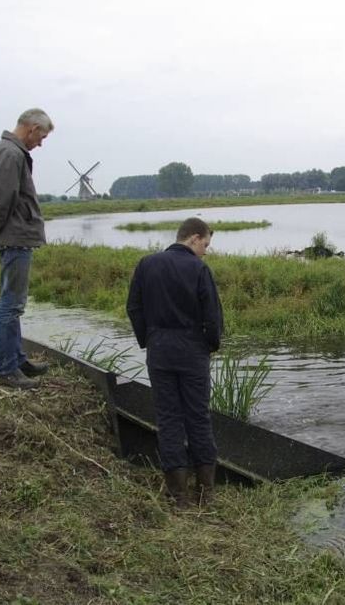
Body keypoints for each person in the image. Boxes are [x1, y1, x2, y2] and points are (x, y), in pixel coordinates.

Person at [126, 217, 224, 508]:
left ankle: (178, 496)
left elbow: (134, 307)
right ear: (193, 238)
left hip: (159, 351)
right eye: (205, 244)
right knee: (198, 417)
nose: (205, 251)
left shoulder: (147, 264)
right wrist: (211, 345)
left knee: (168, 420)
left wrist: (149, 339)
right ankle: (205, 494)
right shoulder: (199, 269)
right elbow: (213, 316)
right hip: (192, 352)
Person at [0, 108, 54, 389]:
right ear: (31, 128)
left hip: (11, 236)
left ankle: (17, 360)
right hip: (16, 237)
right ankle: (7, 370)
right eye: (41, 137)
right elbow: (0, 202)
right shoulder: (11, 153)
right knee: (12, 305)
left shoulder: (0, 150)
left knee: (13, 303)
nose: (41, 143)